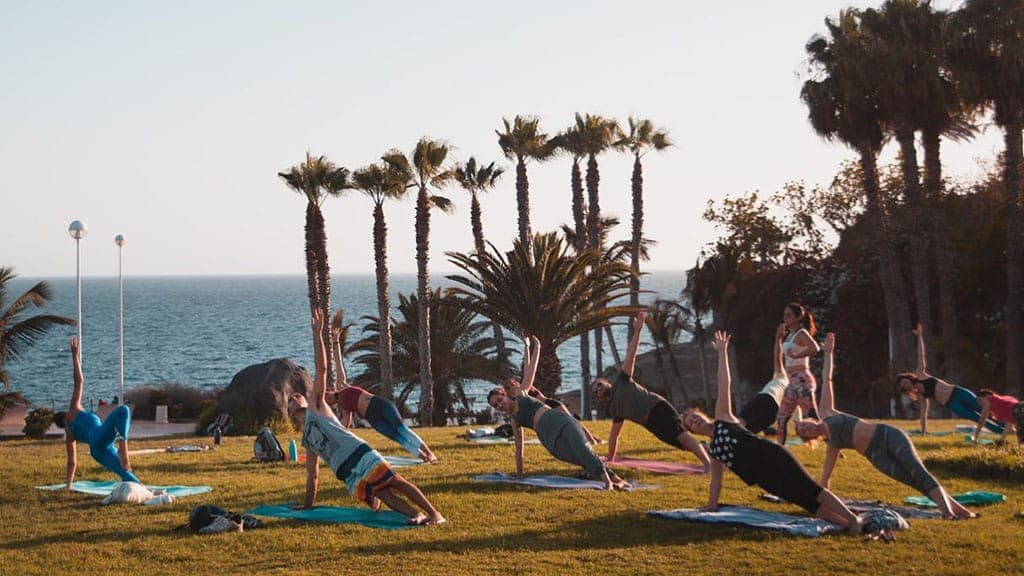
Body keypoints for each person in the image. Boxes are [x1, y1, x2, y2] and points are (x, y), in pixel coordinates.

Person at [681, 331, 861, 533]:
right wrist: (711, 506)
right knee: (807, 503)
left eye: (694, 416)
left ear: (704, 415)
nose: (694, 421)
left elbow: (724, 383)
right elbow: (716, 480)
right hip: (762, 478)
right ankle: (845, 525)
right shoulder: (714, 451)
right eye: (690, 423)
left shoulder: (723, 417)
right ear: (693, 432)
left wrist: (722, 353)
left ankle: (852, 519)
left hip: (773, 456)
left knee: (811, 489)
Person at [288, 310, 444, 525]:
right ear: (288, 412)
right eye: (290, 399)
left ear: (306, 401)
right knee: (384, 493)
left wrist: (318, 335)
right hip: (346, 472)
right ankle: (415, 515)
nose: (295, 398)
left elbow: (322, 369)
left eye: (297, 396)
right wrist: (306, 506)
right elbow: (312, 476)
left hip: (359, 453)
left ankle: (435, 514)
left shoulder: (317, 406)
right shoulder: (307, 438)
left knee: (395, 482)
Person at [795, 333, 975, 520]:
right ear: (809, 438)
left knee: (919, 472)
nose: (806, 428)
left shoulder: (827, 413)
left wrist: (828, 354)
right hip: (875, 455)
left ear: (810, 421)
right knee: (914, 482)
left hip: (887, 435)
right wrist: (819, 504)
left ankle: (948, 513)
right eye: (803, 431)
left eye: (803, 425)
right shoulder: (832, 445)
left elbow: (827, 379)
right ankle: (962, 511)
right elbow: (826, 478)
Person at [487, 336, 629, 490]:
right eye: (496, 405)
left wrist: (535, 347)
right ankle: (616, 479)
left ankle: (608, 483)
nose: (499, 405)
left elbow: (530, 370)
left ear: (505, 394)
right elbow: (519, 450)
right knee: (581, 458)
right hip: (549, 439)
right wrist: (520, 475)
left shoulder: (522, 394)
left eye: (499, 400)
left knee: (583, 449)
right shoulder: (514, 421)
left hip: (559, 421)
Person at [591, 311, 711, 471]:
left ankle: (708, 465)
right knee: (680, 443)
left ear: (607, 383)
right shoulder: (615, 410)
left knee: (681, 435)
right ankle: (709, 450)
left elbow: (631, 355)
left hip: (658, 407)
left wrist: (638, 329)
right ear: (598, 398)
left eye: (600, 384)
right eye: (596, 390)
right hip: (651, 423)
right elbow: (614, 436)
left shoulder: (622, 380)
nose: (600, 388)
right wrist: (611, 459)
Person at [327, 323, 437, 462]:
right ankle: (423, 458)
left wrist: (336, 341)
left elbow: (338, 363)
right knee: (397, 437)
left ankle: (429, 453)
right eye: (325, 400)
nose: (327, 397)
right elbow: (346, 424)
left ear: (330, 391)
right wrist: (337, 437)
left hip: (379, 404)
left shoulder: (342, 386)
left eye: (326, 394)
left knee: (402, 429)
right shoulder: (344, 408)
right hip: (372, 417)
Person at [52, 337, 140, 488]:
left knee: (125, 473)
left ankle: (145, 491)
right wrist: (74, 355)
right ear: (64, 415)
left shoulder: (69, 436)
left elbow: (72, 462)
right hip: (101, 437)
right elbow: (79, 381)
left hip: (98, 450)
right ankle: (123, 448)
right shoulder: (73, 409)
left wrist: (69, 485)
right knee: (123, 410)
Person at [897, 323, 1003, 435]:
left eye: (905, 381)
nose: (905, 384)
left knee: (983, 409)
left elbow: (921, 355)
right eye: (903, 386)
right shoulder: (921, 394)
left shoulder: (920, 374)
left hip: (958, 392)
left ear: (908, 378)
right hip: (952, 404)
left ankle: (1008, 423)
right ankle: (1001, 431)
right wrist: (923, 431)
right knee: (976, 418)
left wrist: (919, 337)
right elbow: (923, 412)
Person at [776, 302, 821, 445]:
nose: (785, 318)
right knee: (781, 417)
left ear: (798, 317)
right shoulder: (788, 335)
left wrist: (797, 355)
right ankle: (780, 449)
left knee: (812, 416)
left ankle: (833, 445)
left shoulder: (801, 333)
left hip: (802, 379)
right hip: (791, 380)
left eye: (789, 315)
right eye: (784, 315)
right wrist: (778, 338)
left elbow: (815, 348)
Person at [736, 323, 789, 435]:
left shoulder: (784, 378)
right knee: (747, 432)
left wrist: (778, 338)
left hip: (766, 400)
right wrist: (778, 338)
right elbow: (778, 356)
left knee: (741, 425)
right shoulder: (785, 378)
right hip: (772, 412)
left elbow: (777, 358)